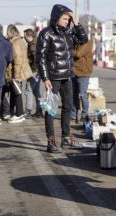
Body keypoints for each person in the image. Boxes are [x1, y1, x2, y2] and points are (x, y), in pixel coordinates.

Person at [37, 4, 88, 152]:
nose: (67, 21)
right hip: (52, 77)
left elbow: (83, 40)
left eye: (68, 19)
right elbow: (40, 58)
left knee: (68, 107)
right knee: (51, 109)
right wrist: (45, 78)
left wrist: (76, 21)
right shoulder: (46, 34)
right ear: (56, 18)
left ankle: (66, 138)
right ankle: (51, 141)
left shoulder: (69, 33)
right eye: (64, 18)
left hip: (67, 76)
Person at [6, 24, 32, 124]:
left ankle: (19, 114)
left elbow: (17, 60)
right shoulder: (20, 41)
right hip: (22, 70)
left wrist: (16, 76)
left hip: (17, 72)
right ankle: (16, 113)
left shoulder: (15, 43)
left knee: (17, 93)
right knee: (16, 92)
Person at [71, 39, 93, 124]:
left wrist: (68, 49)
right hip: (74, 71)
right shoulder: (75, 43)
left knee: (83, 95)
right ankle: (73, 115)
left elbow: (78, 54)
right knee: (74, 95)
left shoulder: (86, 43)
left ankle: (84, 116)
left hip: (83, 73)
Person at [24, 28, 43, 118]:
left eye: (25, 37)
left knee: (28, 90)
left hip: (34, 71)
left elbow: (36, 59)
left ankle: (28, 110)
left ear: (29, 36)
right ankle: (39, 110)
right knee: (36, 91)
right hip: (37, 71)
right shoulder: (33, 43)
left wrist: (32, 70)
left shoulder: (33, 45)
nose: (24, 38)